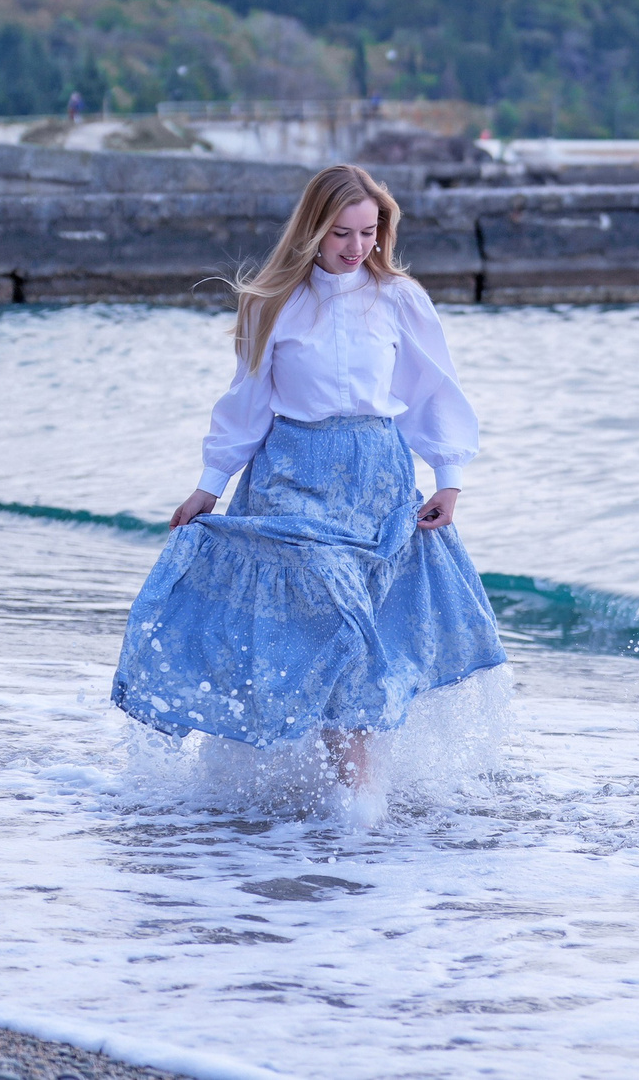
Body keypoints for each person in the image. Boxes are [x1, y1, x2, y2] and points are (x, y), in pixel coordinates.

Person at [111, 163, 506, 822]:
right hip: (292, 477)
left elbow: (436, 390)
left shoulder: (401, 297)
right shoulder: (272, 302)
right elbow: (245, 405)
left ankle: (355, 803)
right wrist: (209, 486)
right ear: (313, 230)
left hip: (378, 480)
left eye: (369, 233)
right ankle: (345, 805)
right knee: (328, 624)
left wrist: (450, 479)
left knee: (358, 640)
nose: (357, 248)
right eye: (342, 233)